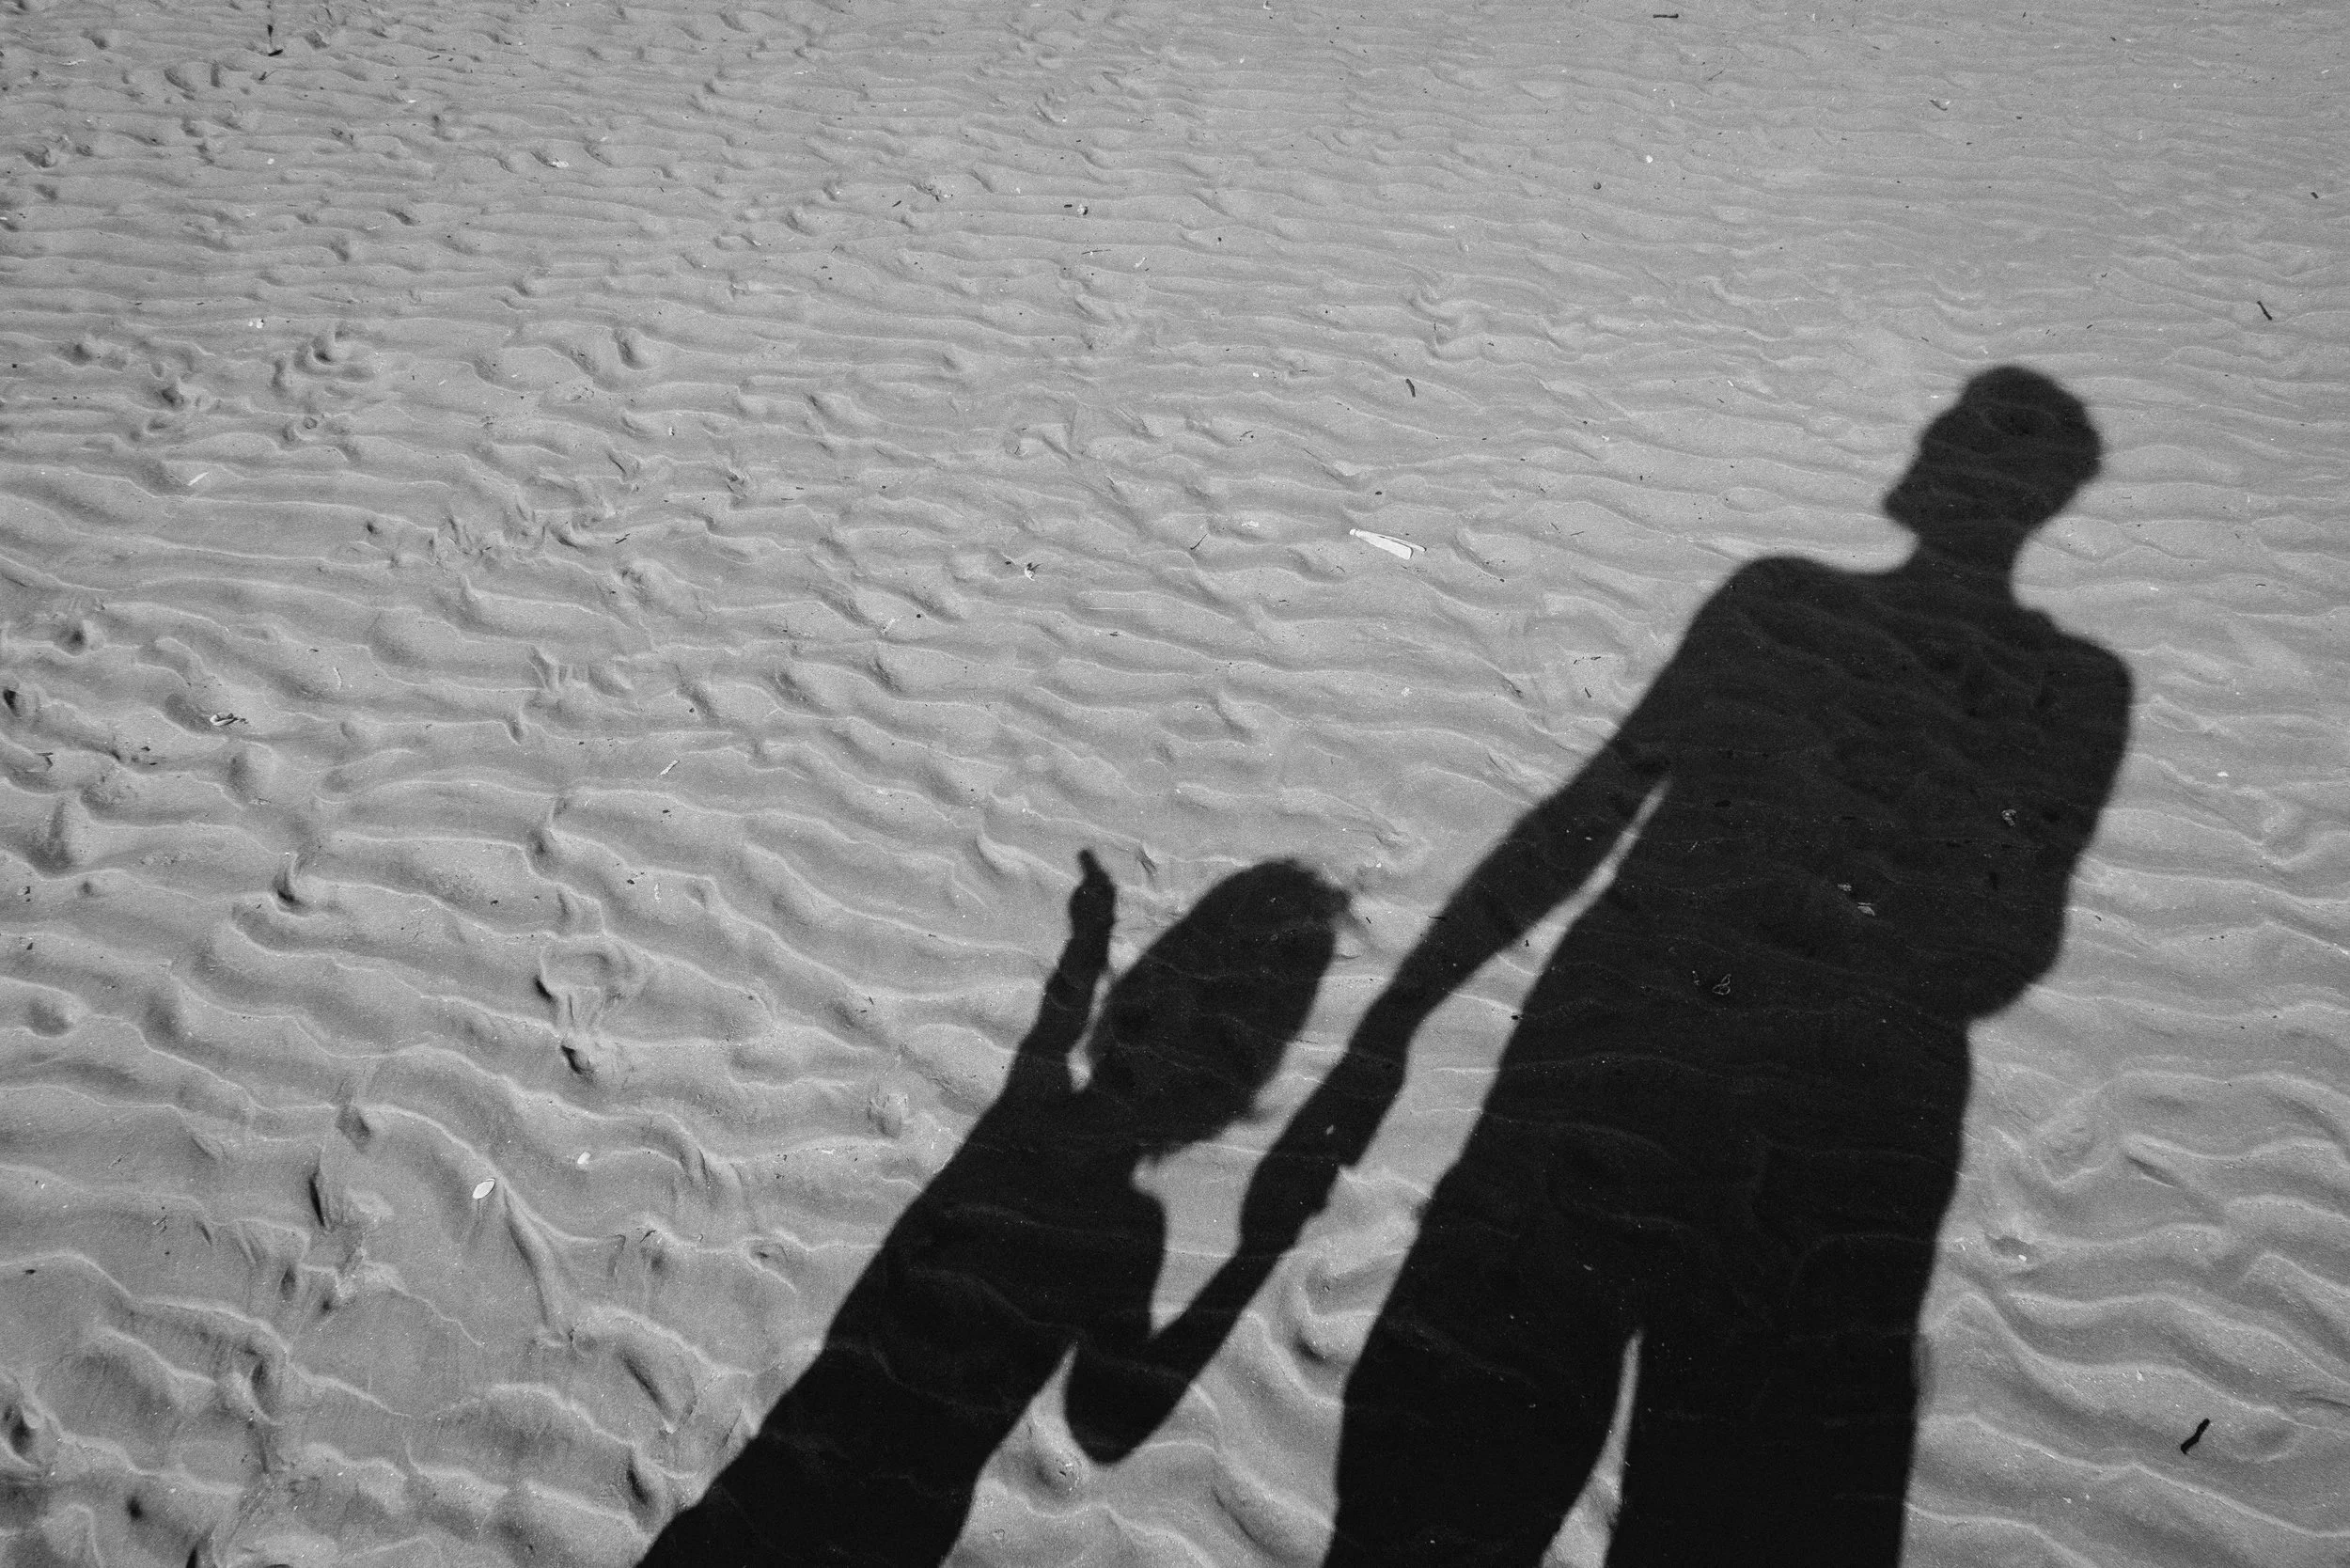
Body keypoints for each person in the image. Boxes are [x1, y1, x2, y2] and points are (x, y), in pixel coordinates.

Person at [1289, 367, 2133, 1565]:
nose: (1937, 452)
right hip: (1748, 1084)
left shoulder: (1830, 618)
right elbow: (2005, 948)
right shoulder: (1816, 612)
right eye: (1946, 430)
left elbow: (1604, 805)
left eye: (1958, 440)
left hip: (1755, 1091)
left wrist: (1402, 1015)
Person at [642, 851, 1350, 1567]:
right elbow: (1106, 1428)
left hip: (755, 1503)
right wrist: (1258, 1247)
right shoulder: (1130, 1231)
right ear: (1226, 1104)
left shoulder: (1018, 1124)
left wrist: (1089, 941)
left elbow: (1052, 1035)